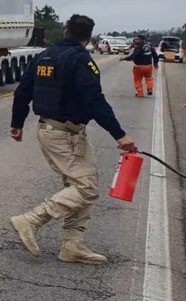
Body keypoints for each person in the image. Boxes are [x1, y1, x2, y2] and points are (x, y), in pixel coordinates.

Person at [9, 14, 136, 264]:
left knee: (82, 183)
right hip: (63, 134)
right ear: (88, 38)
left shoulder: (44, 56)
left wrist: (17, 124)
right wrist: (119, 134)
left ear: (66, 31)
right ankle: (30, 220)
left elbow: (23, 92)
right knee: (86, 188)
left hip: (56, 130)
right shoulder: (80, 60)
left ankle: (72, 245)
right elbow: (94, 101)